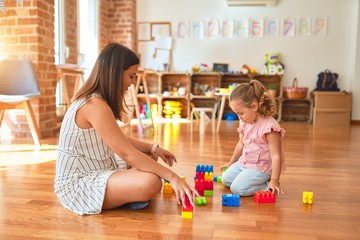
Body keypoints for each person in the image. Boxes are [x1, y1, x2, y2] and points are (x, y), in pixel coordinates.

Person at [54, 43, 199, 215]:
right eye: (131, 76)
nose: (132, 83)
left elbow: (118, 139)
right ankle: (129, 193)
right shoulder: (94, 105)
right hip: (79, 183)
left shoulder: (97, 100)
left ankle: (127, 192)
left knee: (150, 157)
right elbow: (126, 153)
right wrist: (172, 177)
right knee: (151, 182)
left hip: (100, 167)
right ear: (115, 73)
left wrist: (154, 148)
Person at [220, 79, 286, 196]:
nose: (239, 117)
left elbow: (276, 156)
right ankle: (250, 180)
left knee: (237, 189)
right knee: (225, 180)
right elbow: (241, 144)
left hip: (260, 168)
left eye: (241, 113)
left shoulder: (270, 127)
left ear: (254, 106)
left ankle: (266, 186)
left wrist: (274, 180)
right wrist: (231, 162)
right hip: (244, 163)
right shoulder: (245, 122)